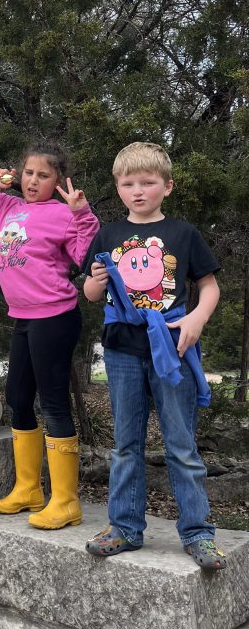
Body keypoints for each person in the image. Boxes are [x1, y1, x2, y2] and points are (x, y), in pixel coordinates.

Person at [82, 142, 225, 570]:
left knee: (181, 444)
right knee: (126, 444)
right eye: (128, 183)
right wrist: (95, 278)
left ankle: (198, 532)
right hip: (123, 349)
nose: (138, 191)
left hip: (173, 345)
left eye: (147, 183)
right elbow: (90, 294)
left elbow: (210, 286)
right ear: (118, 187)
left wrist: (197, 320)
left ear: (167, 186)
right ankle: (124, 527)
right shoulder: (106, 235)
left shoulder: (183, 233)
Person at [0, 141, 99, 529]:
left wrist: (83, 213)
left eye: (43, 175)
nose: (33, 181)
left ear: (58, 180)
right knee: (19, 399)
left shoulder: (63, 214)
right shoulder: (6, 207)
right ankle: (29, 489)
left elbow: (84, 255)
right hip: (23, 317)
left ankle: (66, 501)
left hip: (56, 316)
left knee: (53, 403)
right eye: (28, 173)